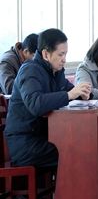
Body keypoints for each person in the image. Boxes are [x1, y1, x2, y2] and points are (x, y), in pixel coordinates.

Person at [4, 28, 92, 169]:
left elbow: (69, 90)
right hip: (25, 142)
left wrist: (83, 93)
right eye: (61, 54)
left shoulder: (55, 72)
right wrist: (70, 95)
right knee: (74, 150)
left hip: (47, 136)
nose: (64, 59)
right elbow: (36, 104)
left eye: (66, 54)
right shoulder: (29, 70)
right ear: (45, 54)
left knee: (85, 143)